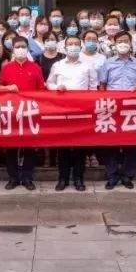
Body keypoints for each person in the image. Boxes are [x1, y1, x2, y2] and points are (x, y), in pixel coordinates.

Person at [46, 35, 99, 191]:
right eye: (70, 44)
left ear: (81, 47)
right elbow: (49, 83)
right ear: (64, 47)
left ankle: (78, 178)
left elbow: (93, 87)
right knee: (62, 146)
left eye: (76, 44)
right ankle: (63, 178)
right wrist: (57, 88)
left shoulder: (88, 66)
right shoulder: (57, 65)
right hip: (62, 111)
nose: (73, 46)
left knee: (80, 147)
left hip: (82, 112)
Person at [97, 31, 136, 189]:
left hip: (131, 107)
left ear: (131, 44)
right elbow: (102, 85)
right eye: (120, 41)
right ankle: (112, 175)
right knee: (110, 143)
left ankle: (127, 175)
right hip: (112, 108)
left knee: (130, 143)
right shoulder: (108, 63)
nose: (123, 44)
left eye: (126, 41)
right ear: (115, 44)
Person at [0, 36, 44, 190]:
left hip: (30, 112)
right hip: (11, 112)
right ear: (13, 49)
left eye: (23, 46)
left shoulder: (35, 67)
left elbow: (42, 90)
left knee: (30, 147)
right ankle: (13, 178)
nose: (20, 49)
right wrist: (8, 88)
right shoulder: (7, 67)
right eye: (17, 47)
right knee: (11, 147)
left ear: (28, 48)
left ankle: (27, 177)